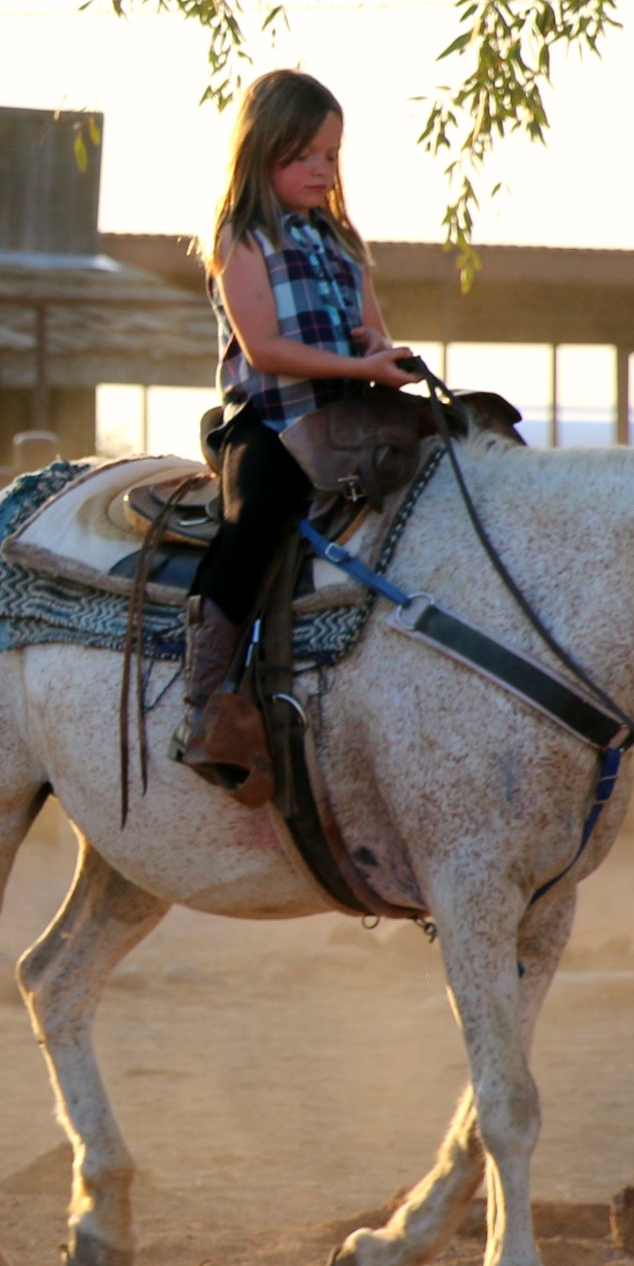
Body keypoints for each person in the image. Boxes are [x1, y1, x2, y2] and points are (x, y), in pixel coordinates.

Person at [174, 69, 417, 795]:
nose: (321, 169)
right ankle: (207, 699)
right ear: (263, 152)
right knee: (255, 518)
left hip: (347, 418)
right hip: (272, 420)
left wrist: (381, 355)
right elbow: (264, 350)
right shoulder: (240, 237)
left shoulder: (343, 241)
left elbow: (372, 330)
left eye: (331, 155)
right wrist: (361, 366)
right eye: (303, 154)